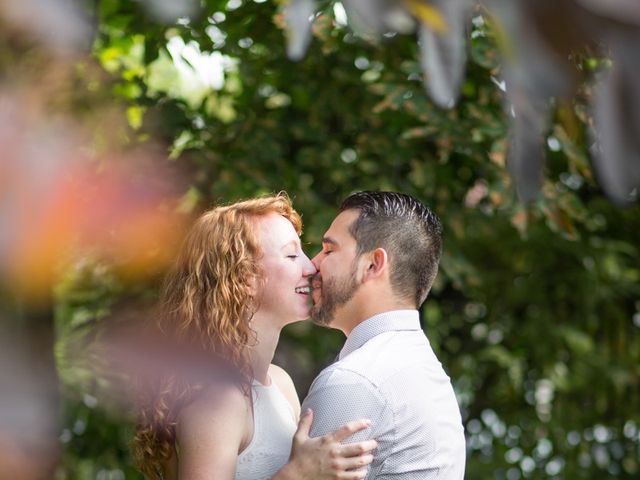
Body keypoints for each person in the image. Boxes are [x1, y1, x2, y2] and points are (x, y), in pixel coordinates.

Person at [131, 194, 377, 480]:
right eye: (291, 254)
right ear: (244, 276)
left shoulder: (281, 384)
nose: (311, 267)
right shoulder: (219, 399)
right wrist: (298, 474)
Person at [302, 191, 466, 479]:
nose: (313, 263)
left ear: (373, 265)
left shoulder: (355, 382)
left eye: (329, 250)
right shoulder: (423, 371)